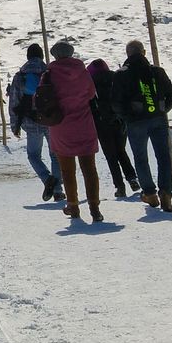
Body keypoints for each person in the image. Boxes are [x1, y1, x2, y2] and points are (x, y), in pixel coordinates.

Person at [40, 42, 104, 222]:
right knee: (89, 169)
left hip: (61, 127)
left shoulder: (49, 74)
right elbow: (91, 93)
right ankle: (94, 208)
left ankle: (73, 206)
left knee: (67, 171)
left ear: (55, 55)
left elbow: (43, 98)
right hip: (84, 124)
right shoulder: (82, 72)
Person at [116, 40, 172, 211]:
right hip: (158, 119)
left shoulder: (121, 74)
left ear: (128, 54)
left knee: (140, 158)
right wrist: (162, 109)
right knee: (163, 156)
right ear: (144, 52)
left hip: (135, 122)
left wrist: (127, 117)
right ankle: (166, 193)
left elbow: (115, 103)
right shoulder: (157, 71)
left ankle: (150, 193)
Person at [7, 44, 64, 201]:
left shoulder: (20, 76)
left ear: (28, 57)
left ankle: (47, 179)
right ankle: (58, 190)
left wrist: (15, 125)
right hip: (50, 120)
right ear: (42, 56)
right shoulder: (50, 73)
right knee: (55, 155)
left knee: (33, 155)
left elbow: (13, 102)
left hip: (30, 122)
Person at [88, 58, 140, 199]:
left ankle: (120, 186)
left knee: (111, 156)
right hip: (119, 120)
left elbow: (89, 105)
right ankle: (132, 178)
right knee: (121, 151)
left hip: (101, 123)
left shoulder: (90, 83)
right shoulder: (115, 78)